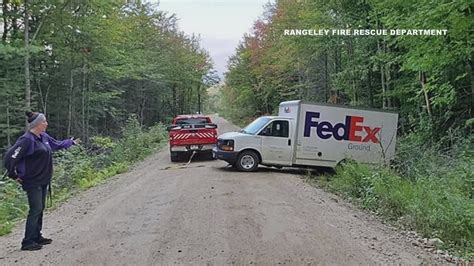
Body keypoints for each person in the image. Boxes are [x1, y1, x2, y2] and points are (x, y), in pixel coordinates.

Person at [3, 111, 80, 251]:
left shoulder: (43, 137)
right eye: (44, 121)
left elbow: (55, 144)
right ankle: (27, 242)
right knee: (35, 209)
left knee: (40, 208)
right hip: (32, 181)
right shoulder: (27, 140)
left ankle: (37, 236)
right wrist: (13, 175)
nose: (46, 123)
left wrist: (70, 142)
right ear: (37, 124)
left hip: (43, 179)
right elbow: (10, 157)